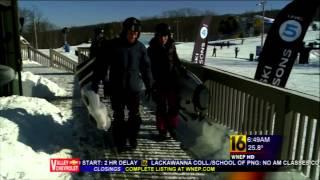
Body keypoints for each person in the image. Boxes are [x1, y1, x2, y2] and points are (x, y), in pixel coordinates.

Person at [91, 17, 153, 152]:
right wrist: (96, 83)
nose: (133, 35)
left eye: (136, 33)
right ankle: (119, 140)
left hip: (133, 88)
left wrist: (150, 85)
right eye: (131, 32)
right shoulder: (112, 46)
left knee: (134, 115)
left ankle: (132, 138)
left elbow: (146, 68)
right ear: (125, 31)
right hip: (116, 88)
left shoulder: (140, 48)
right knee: (118, 116)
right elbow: (101, 66)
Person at [147, 23, 181, 140]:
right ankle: (162, 130)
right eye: (160, 36)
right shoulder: (151, 49)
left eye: (165, 36)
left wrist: (181, 69)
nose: (163, 38)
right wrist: (151, 83)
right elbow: (147, 67)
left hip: (172, 80)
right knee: (161, 107)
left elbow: (175, 60)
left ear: (169, 35)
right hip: (158, 82)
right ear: (156, 35)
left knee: (174, 105)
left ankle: (173, 127)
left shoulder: (172, 45)